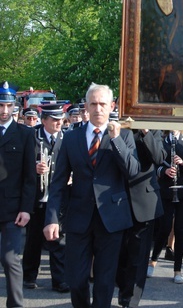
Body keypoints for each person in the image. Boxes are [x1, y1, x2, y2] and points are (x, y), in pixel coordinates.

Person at [43, 83, 140, 308]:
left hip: (112, 218)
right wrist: (52, 219)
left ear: (112, 106)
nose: (98, 109)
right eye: (93, 104)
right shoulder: (71, 138)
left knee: (105, 283)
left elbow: (132, 171)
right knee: (76, 280)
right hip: (79, 218)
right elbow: (57, 183)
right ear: (86, 106)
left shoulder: (124, 137)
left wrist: (116, 140)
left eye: (103, 104)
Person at [116, 128, 166, 308]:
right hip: (118, 198)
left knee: (138, 256)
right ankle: (123, 288)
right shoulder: (118, 129)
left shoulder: (153, 131)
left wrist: (146, 133)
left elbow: (159, 158)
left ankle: (131, 300)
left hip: (144, 201)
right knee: (120, 253)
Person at [22, 102, 69, 293]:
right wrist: (34, 168)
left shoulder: (67, 138)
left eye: (60, 120)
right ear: (44, 121)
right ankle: (29, 276)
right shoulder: (32, 137)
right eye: (54, 120)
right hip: (38, 197)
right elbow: (22, 166)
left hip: (58, 198)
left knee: (58, 239)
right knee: (33, 239)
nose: (59, 123)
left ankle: (59, 280)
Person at [0, 81, 37, 308]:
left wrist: (26, 208)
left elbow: (29, 178)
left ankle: (16, 304)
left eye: (7, 105)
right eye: (0, 105)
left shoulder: (24, 134)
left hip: (13, 208)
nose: (3, 111)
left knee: (10, 259)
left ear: (15, 107)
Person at [147, 130, 183, 284]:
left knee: (180, 229)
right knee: (164, 227)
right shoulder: (161, 140)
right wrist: (164, 170)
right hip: (166, 191)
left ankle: (178, 270)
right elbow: (155, 165)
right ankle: (153, 260)